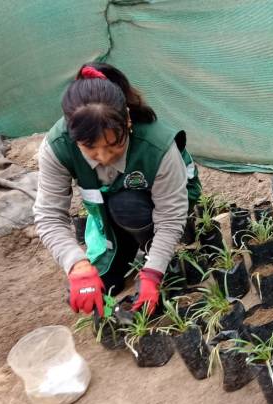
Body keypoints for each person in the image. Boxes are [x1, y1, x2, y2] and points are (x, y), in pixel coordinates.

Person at [33, 62, 201, 317]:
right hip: (107, 208)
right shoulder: (58, 146)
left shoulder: (156, 145)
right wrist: (76, 264)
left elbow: (170, 216)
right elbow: (49, 215)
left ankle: (152, 254)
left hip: (160, 204)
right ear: (73, 136)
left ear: (128, 121)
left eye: (114, 145)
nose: (103, 157)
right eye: (90, 149)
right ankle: (123, 247)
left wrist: (153, 273)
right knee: (101, 285)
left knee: (127, 206)